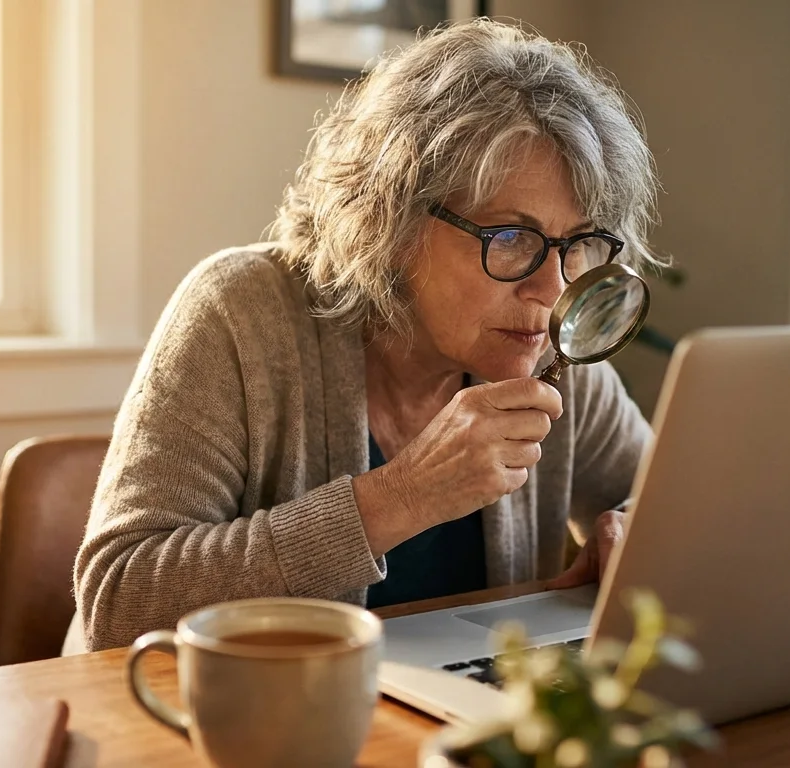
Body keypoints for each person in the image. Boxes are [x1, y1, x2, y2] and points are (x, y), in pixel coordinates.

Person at [67, 19, 659, 652]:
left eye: (579, 245)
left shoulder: (552, 345)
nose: (552, 288)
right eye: (510, 237)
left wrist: (632, 531)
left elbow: (666, 499)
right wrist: (401, 496)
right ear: (394, 220)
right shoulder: (239, 313)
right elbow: (120, 600)